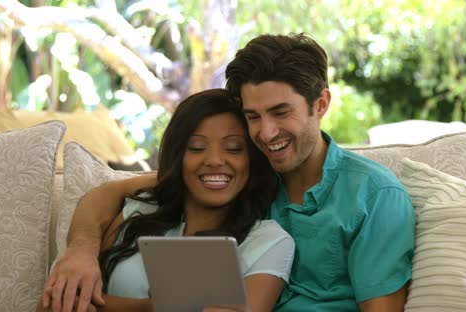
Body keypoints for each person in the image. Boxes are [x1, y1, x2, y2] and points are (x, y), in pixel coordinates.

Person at [42, 33, 416, 312]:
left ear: (321, 104)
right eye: (254, 117)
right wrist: (80, 252)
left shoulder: (374, 196)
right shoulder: (244, 177)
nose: (266, 134)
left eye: (281, 112)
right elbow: (111, 192)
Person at [39, 89, 294, 312]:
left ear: (252, 159)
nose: (215, 160)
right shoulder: (140, 210)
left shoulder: (268, 241)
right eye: (196, 147)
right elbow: (51, 306)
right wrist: (145, 308)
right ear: (178, 156)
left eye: (234, 148)